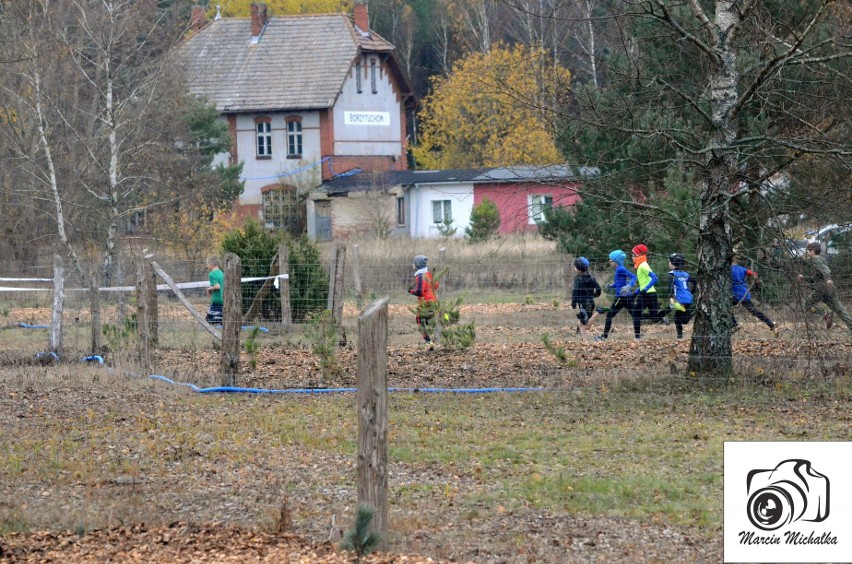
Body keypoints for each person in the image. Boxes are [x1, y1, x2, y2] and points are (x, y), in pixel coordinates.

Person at [797, 242, 852, 331]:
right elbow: (814, 278)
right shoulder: (821, 259)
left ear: (812, 251)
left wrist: (828, 279)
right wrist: (804, 278)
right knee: (839, 309)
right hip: (830, 288)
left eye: (808, 251)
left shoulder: (816, 260)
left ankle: (824, 314)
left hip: (822, 288)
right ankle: (851, 325)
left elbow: (826, 271)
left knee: (807, 303)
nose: (807, 252)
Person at [731, 255, 780, 336]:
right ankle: (772, 325)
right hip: (744, 294)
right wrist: (756, 280)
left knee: (726, 309)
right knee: (755, 312)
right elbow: (754, 273)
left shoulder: (728, 269)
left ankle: (734, 325)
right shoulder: (742, 269)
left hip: (735, 296)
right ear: (737, 261)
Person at [595, 250, 637, 341]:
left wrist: (629, 286)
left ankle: (603, 337)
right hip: (627, 297)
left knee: (609, 315)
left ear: (616, 261)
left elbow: (634, 277)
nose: (609, 262)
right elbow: (619, 283)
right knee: (635, 315)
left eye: (610, 260)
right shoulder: (618, 269)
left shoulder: (621, 269)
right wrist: (611, 286)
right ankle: (639, 335)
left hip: (621, 298)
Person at [629, 244, 665, 339]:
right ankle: (670, 308)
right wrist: (635, 293)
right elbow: (644, 283)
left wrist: (645, 289)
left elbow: (655, 278)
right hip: (651, 293)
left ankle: (637, 337)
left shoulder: (643, 265)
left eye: (633, 254)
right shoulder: (642, 265)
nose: (631, 256)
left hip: (646, 294)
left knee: (635, 314)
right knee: (655, 317)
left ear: (638, 254)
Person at [408, 254, 439, 349]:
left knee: (419, 320)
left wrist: (411, 291)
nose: (412, 264)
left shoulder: (419, 276)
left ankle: (429, 342)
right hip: (433, 301)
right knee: (428, 319)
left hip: (426, 303)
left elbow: (419, 292)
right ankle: (434, 339)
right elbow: (436, 285)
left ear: (417, 265)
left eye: (414, 263)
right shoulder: (428, 274)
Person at [666, 253, 696, 339]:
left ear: (672, 263)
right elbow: (694, 282)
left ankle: (679, 336)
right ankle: (692, 312)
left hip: (680, 299)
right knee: (684, 319)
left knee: (677, 319)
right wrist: (692, 291)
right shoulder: (686, 274)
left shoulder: (672, 274)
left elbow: (670, 287)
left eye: (669, 262)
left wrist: (671, 298)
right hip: (689, 297)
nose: (668, 263)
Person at [571, 256, 601, 339]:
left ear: (578, 268)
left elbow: (575, 291)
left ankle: (585, 341)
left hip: (583, 303)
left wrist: (573, 302)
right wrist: (594, 295)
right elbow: (598, 289)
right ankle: (578, 334)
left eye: (575, 266)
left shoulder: (578, 279)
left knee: (586, 325)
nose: (574, 268)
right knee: (582, 318)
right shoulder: (592, 277)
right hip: (591, 302)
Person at [206, 256, 225, 324]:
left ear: (211, 264)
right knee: (221, 314)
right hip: (223, 298)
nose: (207, 266)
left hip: (216, 299)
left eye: (207, 264)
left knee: (209, 318)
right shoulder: (221, 272)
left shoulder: (212, 274)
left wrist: (209, 288)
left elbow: (217, 286)